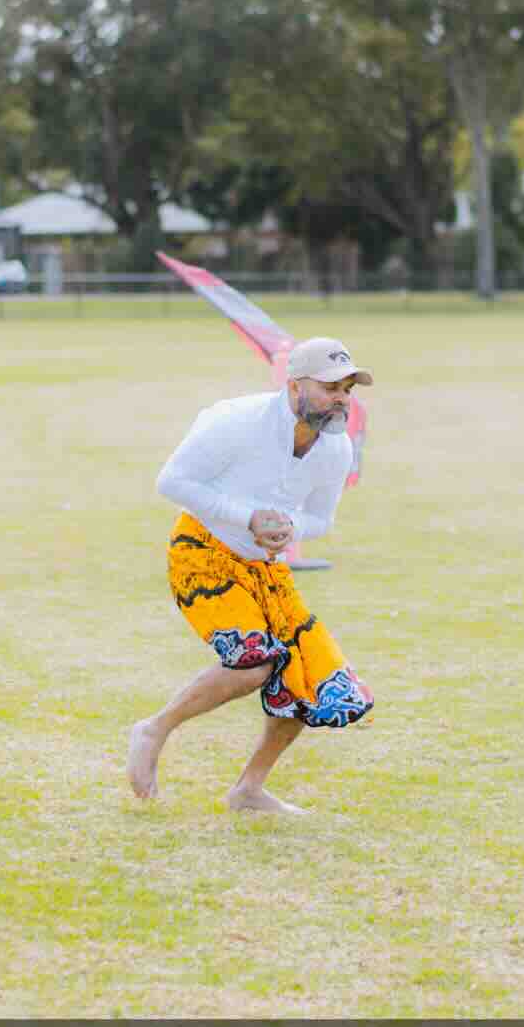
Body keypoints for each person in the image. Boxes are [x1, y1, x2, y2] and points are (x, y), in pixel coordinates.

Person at [127, 336, 377, 813]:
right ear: (295, 385)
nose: (342, 399)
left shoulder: (336, 448)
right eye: (330, 388)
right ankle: (153, 730)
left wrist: (289, 527)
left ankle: (248, 790)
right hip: (203, 552)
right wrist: (249, 518)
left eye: (347, 389)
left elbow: (320, 519)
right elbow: (172, 481)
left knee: (311, 681)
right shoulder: (236, 421)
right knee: (254, 662)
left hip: (266, 569)